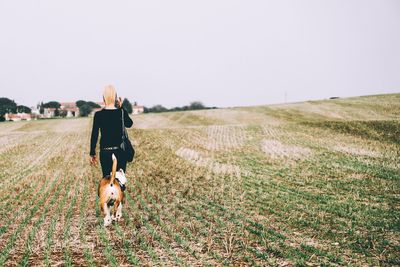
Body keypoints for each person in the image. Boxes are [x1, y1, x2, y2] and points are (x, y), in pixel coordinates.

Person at [89, 85, 133, 179]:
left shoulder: (98, 115)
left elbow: (94, 135)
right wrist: (121, 108)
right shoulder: (120, 112)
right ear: (115, 97)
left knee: (107, 181)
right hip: (120, 152)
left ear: (103, 97)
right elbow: (129, 124)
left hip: (105, 153)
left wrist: (92, 153)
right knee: (119, 183)